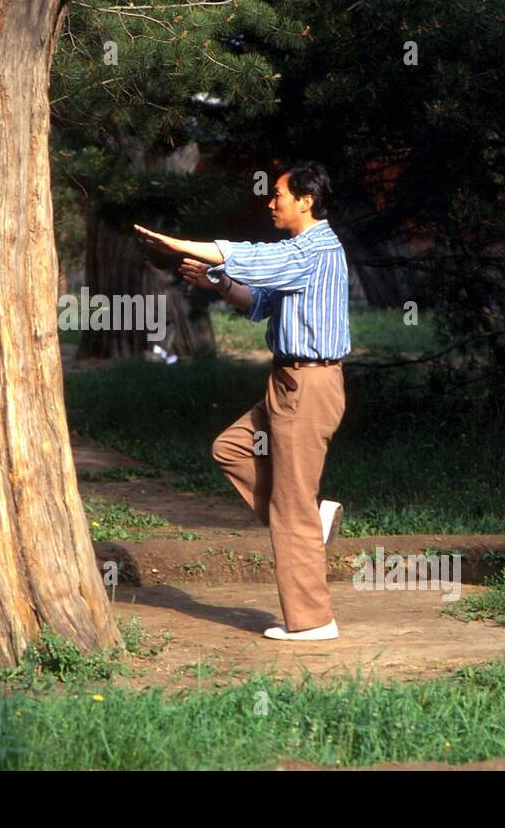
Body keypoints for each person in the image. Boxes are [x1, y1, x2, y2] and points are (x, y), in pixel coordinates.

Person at [134, 162, 351, 641]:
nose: (270, 202)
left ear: (306, 201)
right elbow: (261, 304)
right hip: (287, 383)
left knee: (291, 508)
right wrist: (217, 284)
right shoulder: (303, 254)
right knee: (231, 449)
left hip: (309, 387)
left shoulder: (313, 249)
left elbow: (250, 257)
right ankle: (307, 521)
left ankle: (313, 621)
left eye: (278, 195)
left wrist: (180, 244)